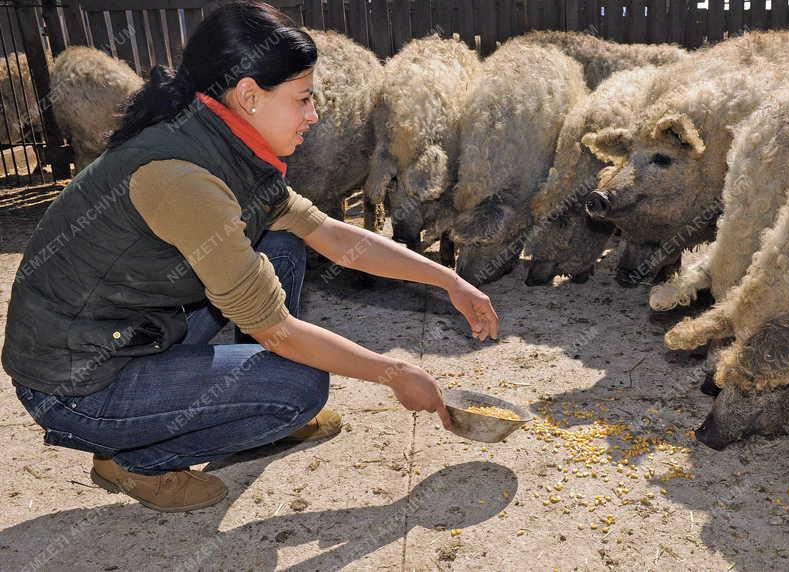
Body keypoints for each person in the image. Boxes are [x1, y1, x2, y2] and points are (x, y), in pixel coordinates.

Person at [1, 1, 498, 513]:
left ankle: (240, 391)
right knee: (298, 386)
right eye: (303, 99)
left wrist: (448, 281)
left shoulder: (220, 140)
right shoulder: (186, 179)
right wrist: (395, 373)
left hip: (127, 326)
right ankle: (133, 459)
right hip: (76, 384)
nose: (314, 114)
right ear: (248, 96)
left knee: (281, 241)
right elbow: (276, 329)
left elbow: (330, 233)